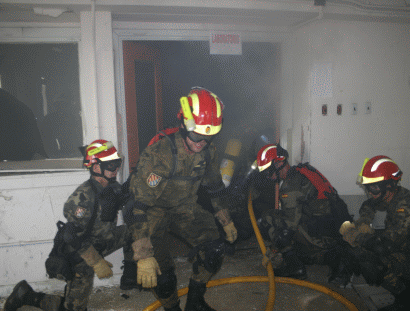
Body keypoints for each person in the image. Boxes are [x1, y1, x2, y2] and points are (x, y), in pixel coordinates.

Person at [124, 87, 238, 311]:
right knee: (162, 275)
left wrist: (226, 220)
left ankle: (195, 302)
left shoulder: (207, 151)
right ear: (185, 125)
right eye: (197, 136)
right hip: (152, 212)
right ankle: (172, 307)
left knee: (214, 250)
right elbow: (138, 206)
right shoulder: (161, 154)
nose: (201, 143)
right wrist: (143, 254)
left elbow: (214, 187)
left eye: (209, 136)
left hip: (185, 208)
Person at [4, 139, 134, 311]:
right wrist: (96, 261)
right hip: (81, 253)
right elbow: (71, 235)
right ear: (96, 168)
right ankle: (26, 295)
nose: (116, 168)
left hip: (103, 240)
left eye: (118, 162)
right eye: (111, 165)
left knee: (135, 231)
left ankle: (131, 276)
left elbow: (123, 198)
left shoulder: (112, 187)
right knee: (73, 309)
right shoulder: (82, 197)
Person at [255, 144, 356, 284]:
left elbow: (289, 227)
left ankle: (295, 267)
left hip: (321, 237)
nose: (268, 176)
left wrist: (272, 251)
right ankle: (331, 255)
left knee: (266, 219)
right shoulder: (302, 171)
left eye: (268, 171)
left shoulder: (290, 186)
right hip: (334, 232)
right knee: (283, 219)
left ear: (278, 163)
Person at [340, 155, 410, 311]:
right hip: (402, 249)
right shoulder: (390, 196)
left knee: (371, 261)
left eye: (375, 187)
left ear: (389, 185)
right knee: (359, 253)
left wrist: (356, 235)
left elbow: (385, 246)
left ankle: (405, 298)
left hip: (403, 252)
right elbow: (368, 205)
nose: (371, 192)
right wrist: (363, 222)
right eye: (369, 187)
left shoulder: (403, 206)